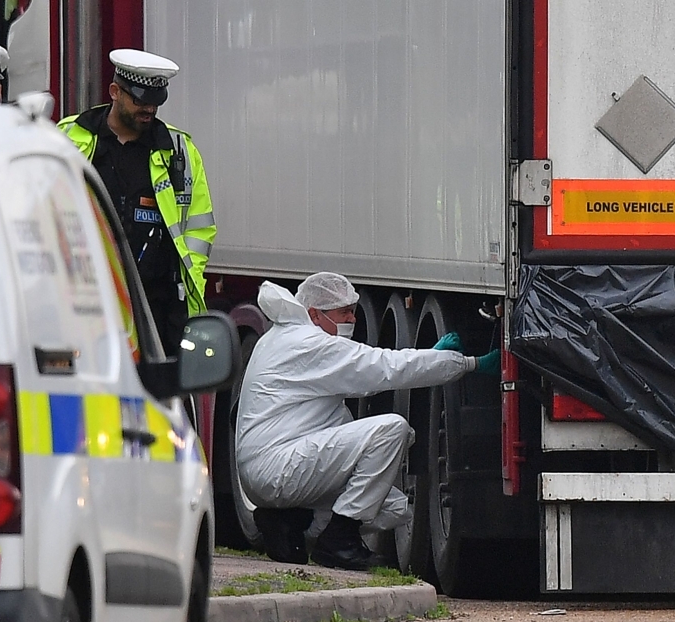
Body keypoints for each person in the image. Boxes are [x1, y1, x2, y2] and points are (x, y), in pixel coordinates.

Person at [235, 273, 500, 570]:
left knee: (393, 507)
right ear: (314, 314)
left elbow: (360, 379)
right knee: (391, 430)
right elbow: (382, 368)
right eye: (343, 312)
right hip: (277, 468)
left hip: (274, 468)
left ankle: (290, 525)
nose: (352, 319)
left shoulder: (283, 336)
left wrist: (429, 357)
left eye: (353, 310)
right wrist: (469, 364)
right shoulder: (308, 343)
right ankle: (338, 542)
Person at [58, 49, 216, 356]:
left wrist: (186, 278)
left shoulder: (179, 150)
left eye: (156, 102)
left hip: (156, 306)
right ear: (115, 92)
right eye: (140, 100)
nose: (149, 109)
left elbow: (200, 225)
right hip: (84, 301)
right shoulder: (67, 139)